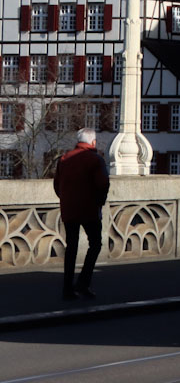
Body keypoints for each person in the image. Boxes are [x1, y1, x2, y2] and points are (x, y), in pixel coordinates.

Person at [54, 128, 109, 299]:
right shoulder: (95, 159)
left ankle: (67, 289)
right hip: (89, 209)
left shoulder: (64, 159)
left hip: (69, 209)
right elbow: (103, 184)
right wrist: (99, 202)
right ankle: (83, 283)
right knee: (95, 244)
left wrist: (66, 199)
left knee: (71, 248)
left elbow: (57, 185)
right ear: (93, 142)